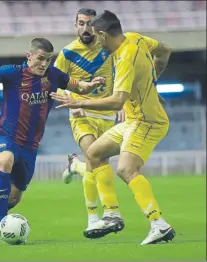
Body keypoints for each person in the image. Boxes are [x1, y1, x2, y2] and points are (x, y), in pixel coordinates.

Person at [0, 37, 105, 243]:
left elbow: (79, 87)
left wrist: (92, 84)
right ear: (29, 56)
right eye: (41, 59)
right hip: (6, 136)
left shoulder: (54, 75)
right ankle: (3, 223)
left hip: (30, 147)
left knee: (14, 199)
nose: (44, 64)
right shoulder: (13, 72)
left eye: (48, 60)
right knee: (5, 160)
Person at [51, 10, 176, 245]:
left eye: (98, 38)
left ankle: (159, 224)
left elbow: (117, 101)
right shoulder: (136, 38)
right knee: (94, 153)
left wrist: (79, 102)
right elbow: (164, 51)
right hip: (132, 121)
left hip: (147, 121)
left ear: (102, 34)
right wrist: (153, 81)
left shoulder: (125, 57)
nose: (97, 43)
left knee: (126, 170)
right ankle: (111, 215)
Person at [54, 8, 125, 239]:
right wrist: (71, 98)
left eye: (88, 24)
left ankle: (75, 166)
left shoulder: (108, 47)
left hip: (106, 113)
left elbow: (123, 76)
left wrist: (124, 103)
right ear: (76, 26)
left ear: (96, 27)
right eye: (81, 23)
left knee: (93, 165)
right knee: (97, 157)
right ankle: (95, 218)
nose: (85, 28)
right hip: (81, 114)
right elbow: (55, 82)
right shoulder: (67, 54)